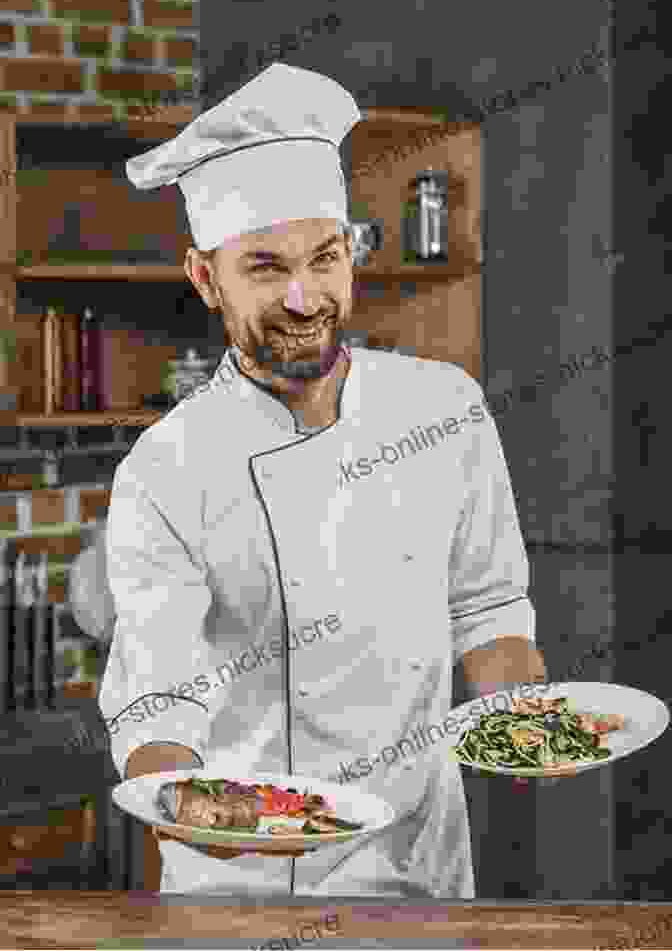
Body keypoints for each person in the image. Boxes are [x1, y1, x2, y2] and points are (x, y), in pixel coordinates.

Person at [98, 62, 549, 897]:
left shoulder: (446, 409)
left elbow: (489, 612)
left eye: (326, 257)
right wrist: (184, 802)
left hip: (418, 874)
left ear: (352, 252)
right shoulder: (166, 466)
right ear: (207, 278)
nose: (305, 296)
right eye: (265, 266)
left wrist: (526, 720)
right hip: (236, 889)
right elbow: (157, 691)